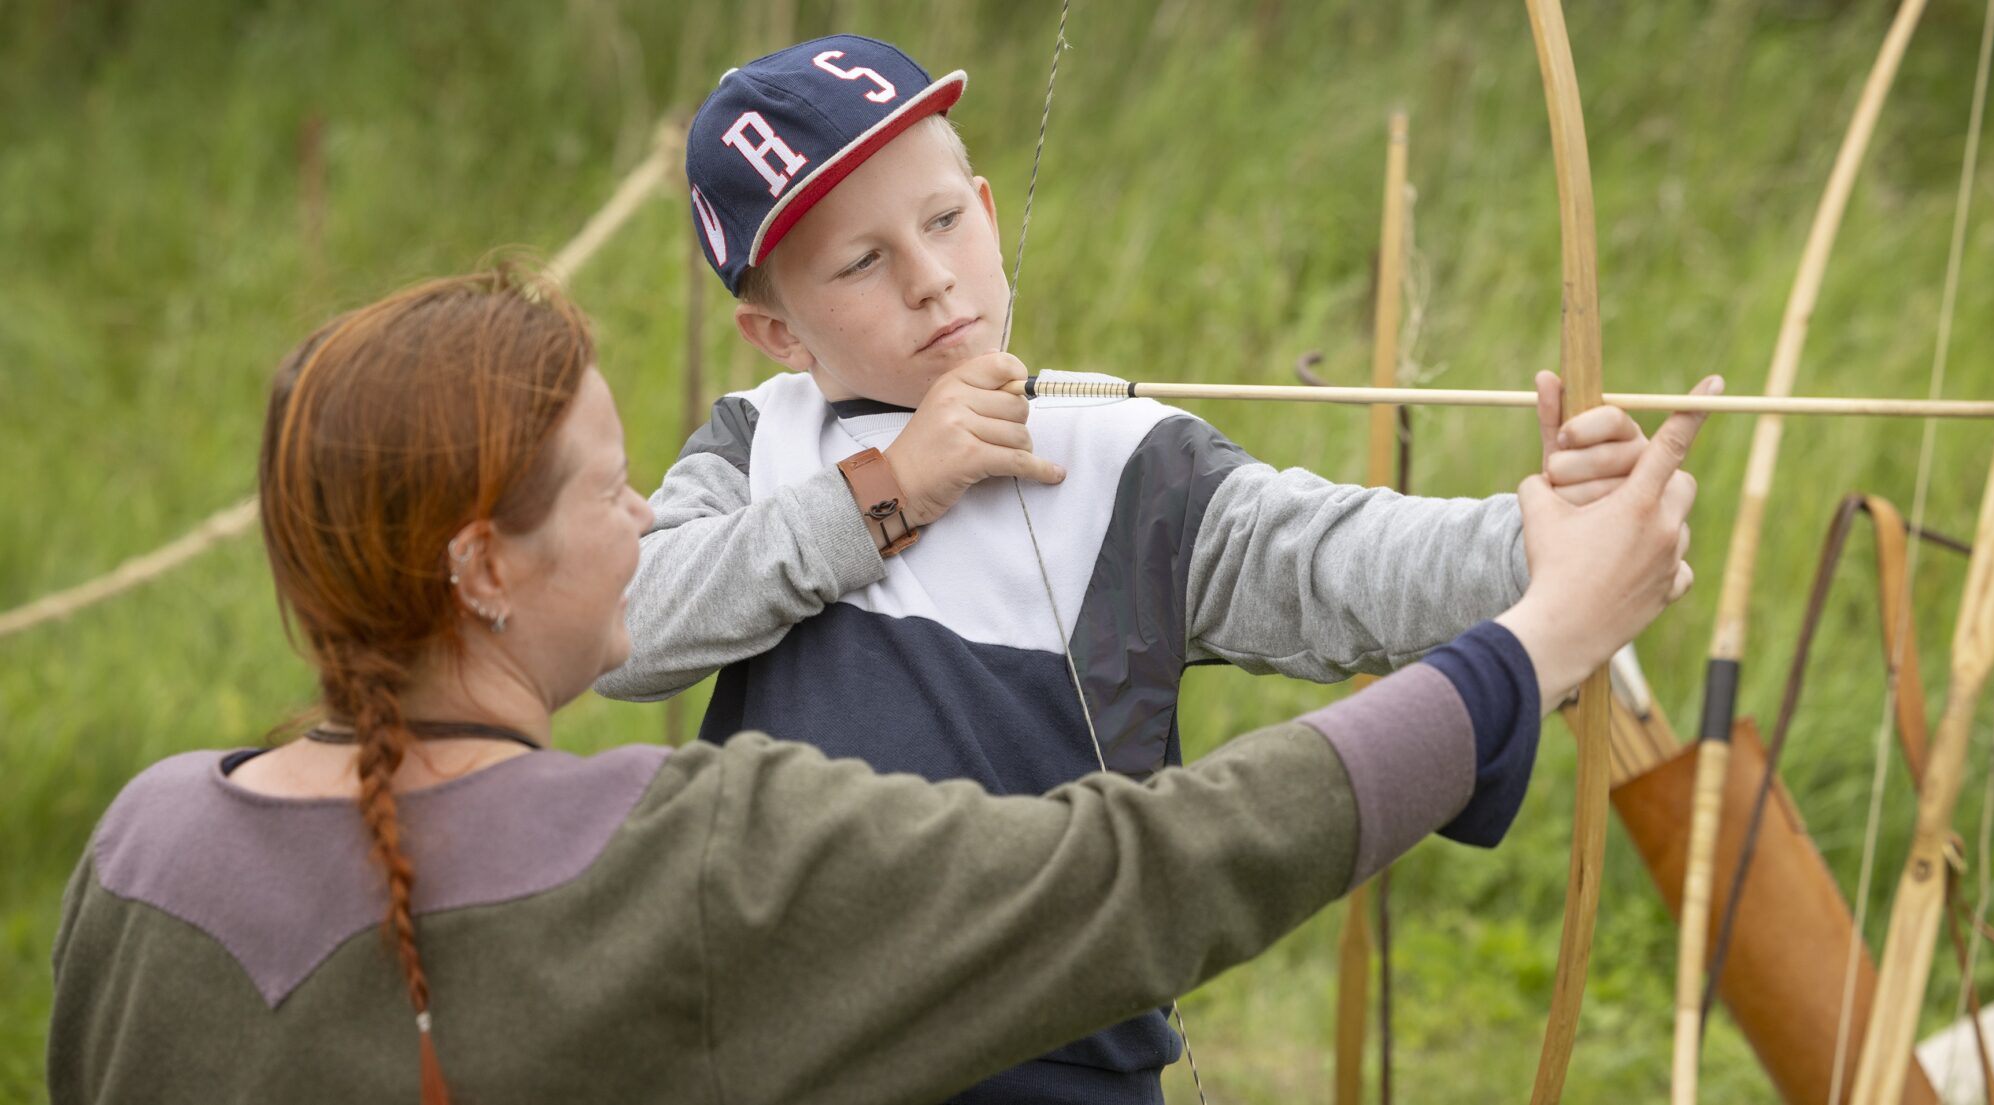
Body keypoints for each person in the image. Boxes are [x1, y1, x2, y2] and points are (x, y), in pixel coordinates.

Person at [47, 269, 1709, 1105]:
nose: (648, 523)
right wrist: (1529, 650)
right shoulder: (678, 862)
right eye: (612, 492)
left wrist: (1499, 558)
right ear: (482, 568)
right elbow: (1147, 873)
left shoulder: (137, 855)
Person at [599, 35, 1681, 1102]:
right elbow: (627, 626)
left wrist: (1546, 538)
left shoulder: (1122, 461)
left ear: (984, 202)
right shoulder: (757, 446)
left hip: (1049, 1066)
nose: (932, 280)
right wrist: (887, 491)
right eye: (861, 261)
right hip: (783, 1056)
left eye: (942, 221)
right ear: (775, 330)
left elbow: (1340, 565)